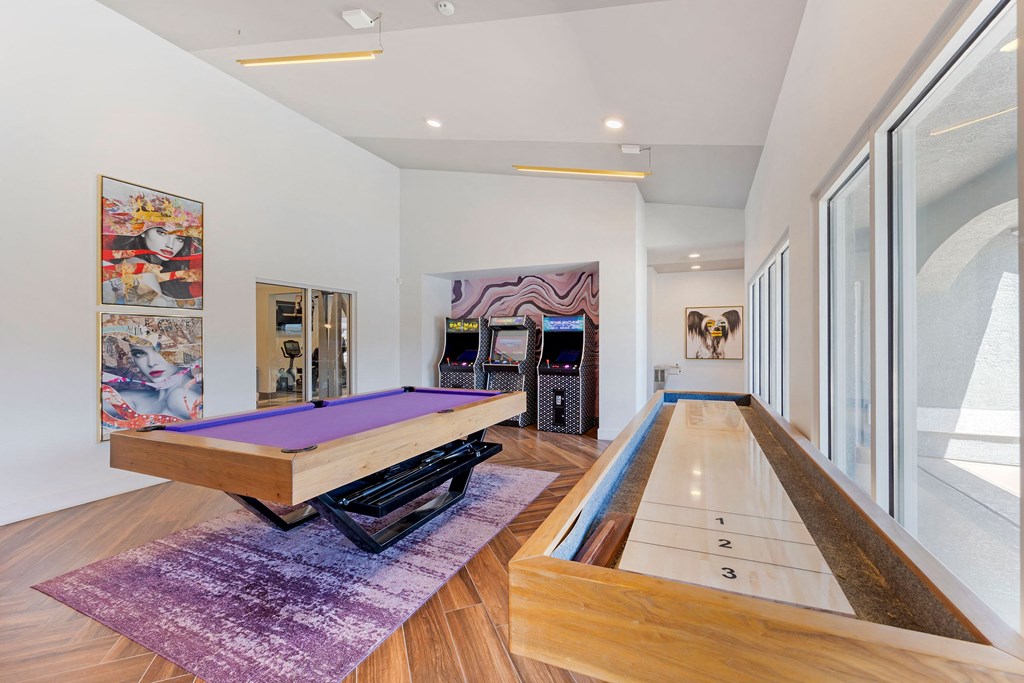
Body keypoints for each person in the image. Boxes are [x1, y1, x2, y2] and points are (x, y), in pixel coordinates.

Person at [101, 188, 203, 307]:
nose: (170, 245)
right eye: (162, 233)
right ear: (143, 231)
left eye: (179, 239)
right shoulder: (141, 268)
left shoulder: (162, 270)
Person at [100, 319, 203, 437]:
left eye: (160, 351)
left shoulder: (180, 396)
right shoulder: (134, 398)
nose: (151, 363)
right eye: (139, 354)